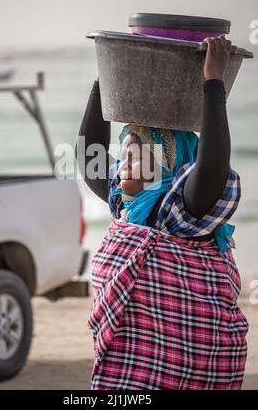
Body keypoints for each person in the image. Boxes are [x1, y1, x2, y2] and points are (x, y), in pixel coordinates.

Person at [75, 36, 249, 390]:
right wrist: (106, 77)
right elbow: (87, 153)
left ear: (166, 165)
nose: (122, 165)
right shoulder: (128, 208)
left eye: (135, 156)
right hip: (130, 374)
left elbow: (213, 164)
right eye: (123, 155)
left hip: (177, 373)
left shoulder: (180, 213)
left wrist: (213, 82)